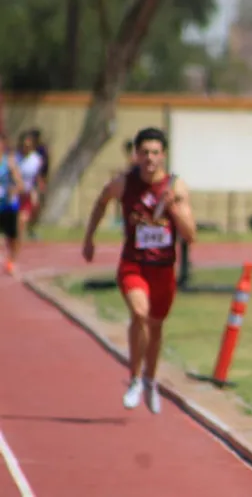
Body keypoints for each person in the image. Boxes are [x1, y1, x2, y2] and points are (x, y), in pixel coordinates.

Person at [81, 127, 196, 413]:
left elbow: (190, 234)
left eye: (155, 153)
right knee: (140, 314)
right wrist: (89, 238)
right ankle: (133, 378)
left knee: (155, 327)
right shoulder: (123, 182)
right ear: (136, 154)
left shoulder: (176, 187)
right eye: (144, 152)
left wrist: (175, 209)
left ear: (163, 155)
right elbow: (101, 202)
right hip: (133, 265)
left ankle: (150, 380)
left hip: (163, 268)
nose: (149, 158)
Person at [0, 134, 24, 275]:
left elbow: (20, 184)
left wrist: (13, 189)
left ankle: (12, 260)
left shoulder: (9, 162)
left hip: (8, 204)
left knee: (11, 237)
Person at [16, 132, 44, 242]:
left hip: (28, 190)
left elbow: (37, 175)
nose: (26, 148)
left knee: (35, 208)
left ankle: (30, 230)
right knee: (21, 217)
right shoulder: (16, 158)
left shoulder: (36, 159)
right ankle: (18, 236)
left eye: (28, 146)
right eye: (24, 146)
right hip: (16, 192)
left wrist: (39, 185)